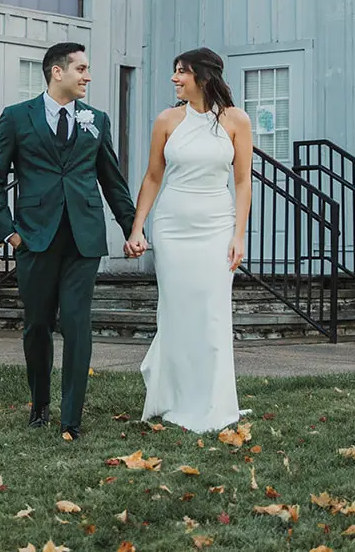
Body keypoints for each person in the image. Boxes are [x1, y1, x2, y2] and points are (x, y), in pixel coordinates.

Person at [0, 42, 136, 441]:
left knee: (78, 324)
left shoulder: (95, 119)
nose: (87, 76)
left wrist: (132, 227)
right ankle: (39, 405)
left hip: (83, 238)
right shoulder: (17, 118)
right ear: (57, 72)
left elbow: (112, 181)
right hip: (34, 238)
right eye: (81, 68)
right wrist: (8, 231)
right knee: (36, 326)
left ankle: (71, 418)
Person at [123, 47, 252, 432]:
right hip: (173, 227)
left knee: (212, 312)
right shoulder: (166, 120)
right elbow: (152, 177)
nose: (175, 78)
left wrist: (238, 235)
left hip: (216, 226)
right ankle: (174, 396)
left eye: (182, 72)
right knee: (176, 312)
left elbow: (243, 181)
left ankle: (213, 402)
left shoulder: (236, 121)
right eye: (175, 71)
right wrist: (137, 228)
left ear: (204, 76)